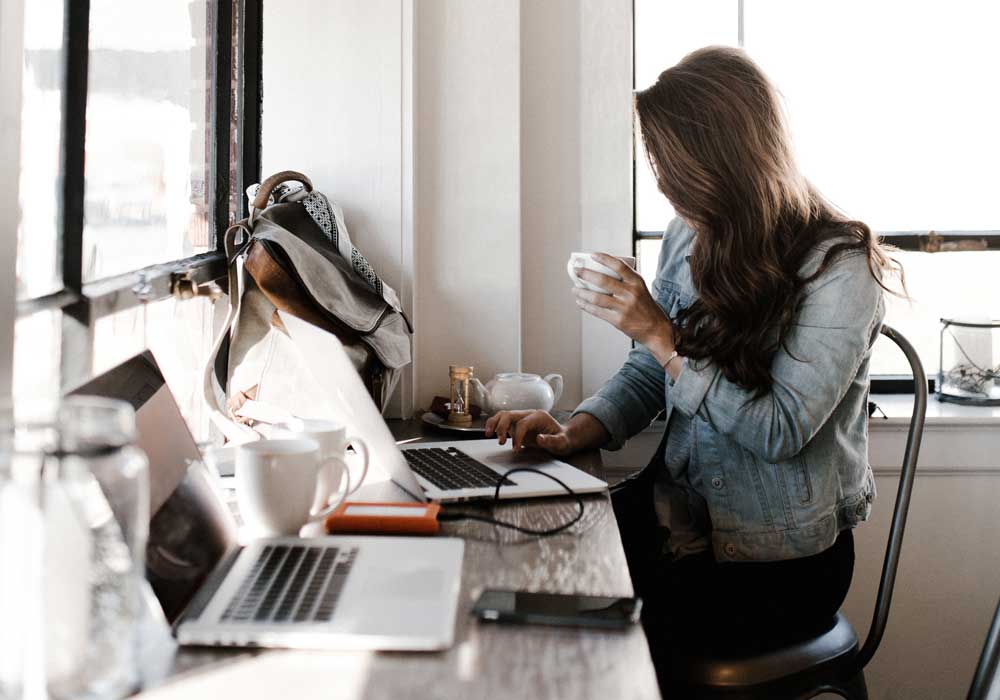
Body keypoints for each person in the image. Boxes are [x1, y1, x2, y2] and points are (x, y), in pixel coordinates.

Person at [484, 46, 904, 689]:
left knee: (583, 631)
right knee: (521, 560)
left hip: (778, 565)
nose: (663, 187)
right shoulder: (690, 235)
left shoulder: (841, 269)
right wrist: (577, 430)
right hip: (678, 520)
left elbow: (779, 430)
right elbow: (651, 371)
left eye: (671, 169)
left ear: (725, 163)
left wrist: (659, 332)